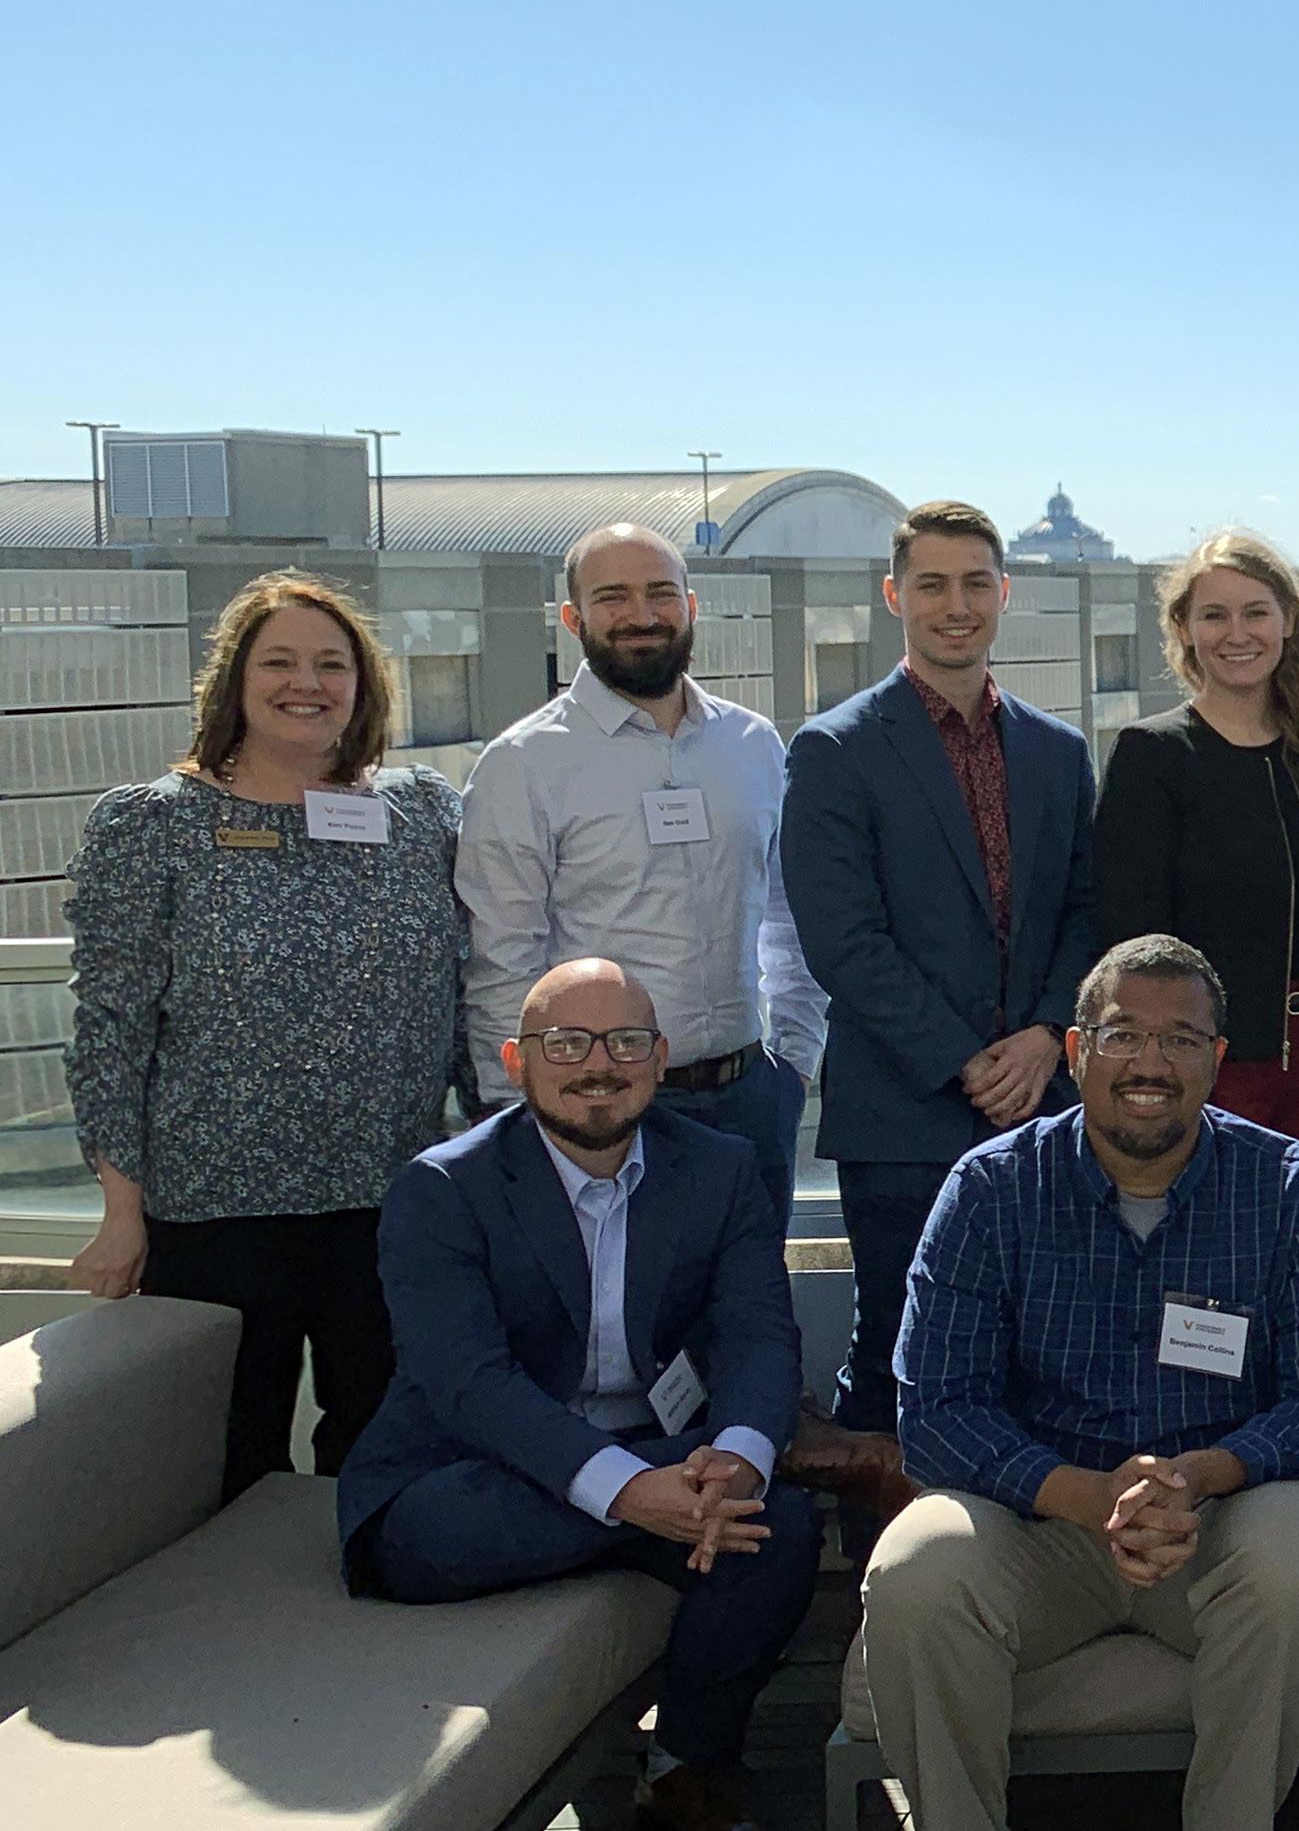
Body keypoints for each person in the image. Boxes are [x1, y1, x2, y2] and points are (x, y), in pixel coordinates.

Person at [870, 935, 1299, 1831]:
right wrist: (1087, 1495)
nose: (1150, 1063)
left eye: (1180, 1039)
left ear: (1217, 1059)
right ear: (1075, 1051)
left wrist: (1195, 1477)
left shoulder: (1296, 1189)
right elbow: (938, 1411)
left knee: (1294, 1561)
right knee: (917, 1570)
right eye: (1122, 1035)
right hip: (1041, 1522)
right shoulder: (989, 1189)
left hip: (1220, 1512)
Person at [337, 959, 820, 1831]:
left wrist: (739, 1459)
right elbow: (468, 1385)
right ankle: (656, 1511)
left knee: (771, 1520)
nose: (599, 1065)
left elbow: (757, 1332)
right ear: (516, 1062)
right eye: (567, 1043)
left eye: (626, 1042)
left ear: (659, 1059)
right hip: (475, 1475)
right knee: (443, 1527)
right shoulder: (443, 1189)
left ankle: (686, 1771)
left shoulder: (719, 1169)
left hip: (649, 1454)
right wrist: (630, 1493)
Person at [62, 572, 465, 1498]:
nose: (306, 683)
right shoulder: (154, 824)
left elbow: (468, 990)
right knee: (225, 1468)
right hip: (216, 1212)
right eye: (278, 662)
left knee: (385, 1461)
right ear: (234, 681)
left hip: (390, 1201)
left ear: (364, 683)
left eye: (332, 664)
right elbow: (110, 1028)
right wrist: (122, 1211)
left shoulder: (421, 815)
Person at [784, 499, 1098, 1442]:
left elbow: (1088, 912)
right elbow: (842, 940)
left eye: (973, 584)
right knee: (899, 1344)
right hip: (902, 1110)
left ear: (1004, 593)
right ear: (894, 597)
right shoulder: (835, 749)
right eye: (931, 585)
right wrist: (966, 1061)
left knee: (1043, 1344)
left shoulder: (1058, 751)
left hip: (1041, 1102)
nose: (955, 606)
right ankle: (884, 1529)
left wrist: (1044, 1038)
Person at [458, 523, 824, 1202]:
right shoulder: (523, 764)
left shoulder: (752, 744)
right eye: (613, 597)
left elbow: (789, 915)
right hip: (597, 1112)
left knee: (753, 1276)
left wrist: (795, 1062)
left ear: (691, 606)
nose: (641, 615)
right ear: (573, 619)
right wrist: (517, 1111)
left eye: (660, 593)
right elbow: (501, 955)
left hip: (751, 1100)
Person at [1095, 526, 1299, 1169]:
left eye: (1256, 612)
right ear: (1185, 630)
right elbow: (1128, 935)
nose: (1237, 634)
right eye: (1214, 615)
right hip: (1207, 1060)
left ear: (1288, 622)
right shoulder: (1153, 756)